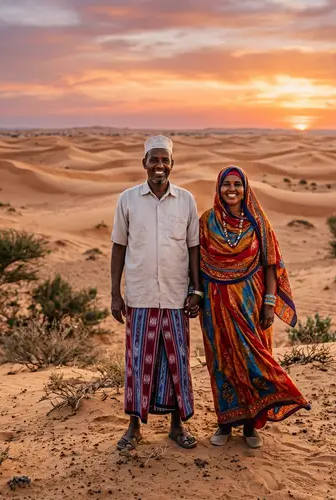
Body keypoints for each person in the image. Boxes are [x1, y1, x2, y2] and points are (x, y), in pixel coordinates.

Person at [199, 166, 311, 448]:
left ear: (245, 188)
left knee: (253, 361)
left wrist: (270, 304)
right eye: (226, 184)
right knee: (221, 362)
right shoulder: (206, 221)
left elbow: (271, 264)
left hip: (252, 303)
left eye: (237, 184)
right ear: (218, 188)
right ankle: (225, 423)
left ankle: (251, 426)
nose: (232, 189)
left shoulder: (258, 223)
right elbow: (197, 262)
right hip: (216, 305)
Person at [110, 135, 202, 450]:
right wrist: (114, 293)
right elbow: (118, 246)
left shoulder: (187, 200)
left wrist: (197, 290)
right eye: (154, 160)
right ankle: (134, 428)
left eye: (165, 160)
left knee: (177, 362)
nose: (159, 166)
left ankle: (177, 427)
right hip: (139, 296)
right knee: (138, 363)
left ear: (172, 164)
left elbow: (194, 249)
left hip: (176, 297)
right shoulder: (128, 199)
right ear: (145, 164)